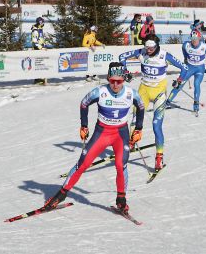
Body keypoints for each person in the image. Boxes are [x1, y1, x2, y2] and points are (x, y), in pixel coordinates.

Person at [43, 62, 145, 214]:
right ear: (108, 79)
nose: (115, 85)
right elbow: (84, 104)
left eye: (119, 81)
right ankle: (60, 195)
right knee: (83, 164)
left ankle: (121, 200)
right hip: (102, 133)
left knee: (120, 164)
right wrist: (84, 125)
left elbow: (141, 108)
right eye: (112, 81)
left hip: (120, 134)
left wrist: (138, 128)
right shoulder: (100, 91)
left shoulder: (131, 93)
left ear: (124, 79)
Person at [119, 34, 187, 172]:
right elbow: (121, 57)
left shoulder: (164, 55)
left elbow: (184, 68)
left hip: (159, 94)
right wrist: (125, 71)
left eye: (151, 48)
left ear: (156, 46)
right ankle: (131, 143)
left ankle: (159, 158)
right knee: (134, 120)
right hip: (143, 91)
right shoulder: (141, 52)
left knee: (156, 125)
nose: (148, 50)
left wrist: (179, 80)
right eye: (147, 48)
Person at [166, 30, 206, 114]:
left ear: (199, 38)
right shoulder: (186, 45)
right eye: (192, 39)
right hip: (189, 67)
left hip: (200, 68)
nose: (194, 41)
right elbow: (183, 49)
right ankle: (167, 102)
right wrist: (185, 58)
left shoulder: (204, 46)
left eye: (196, 39)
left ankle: (196, 104)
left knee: (196, 84)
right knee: (179, 84)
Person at [31, 17, 52, 85]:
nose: (43, 24)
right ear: (39, 23)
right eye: (42, 23)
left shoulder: (40, 29)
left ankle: (41, 78)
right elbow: (35, 41)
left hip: (41, 49)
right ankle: (37, 79)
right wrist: (41, 48)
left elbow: (41, 39)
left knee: (42, 64)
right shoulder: (35, 30)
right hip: (37, 49)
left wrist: (44, 45)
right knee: (38, 64)